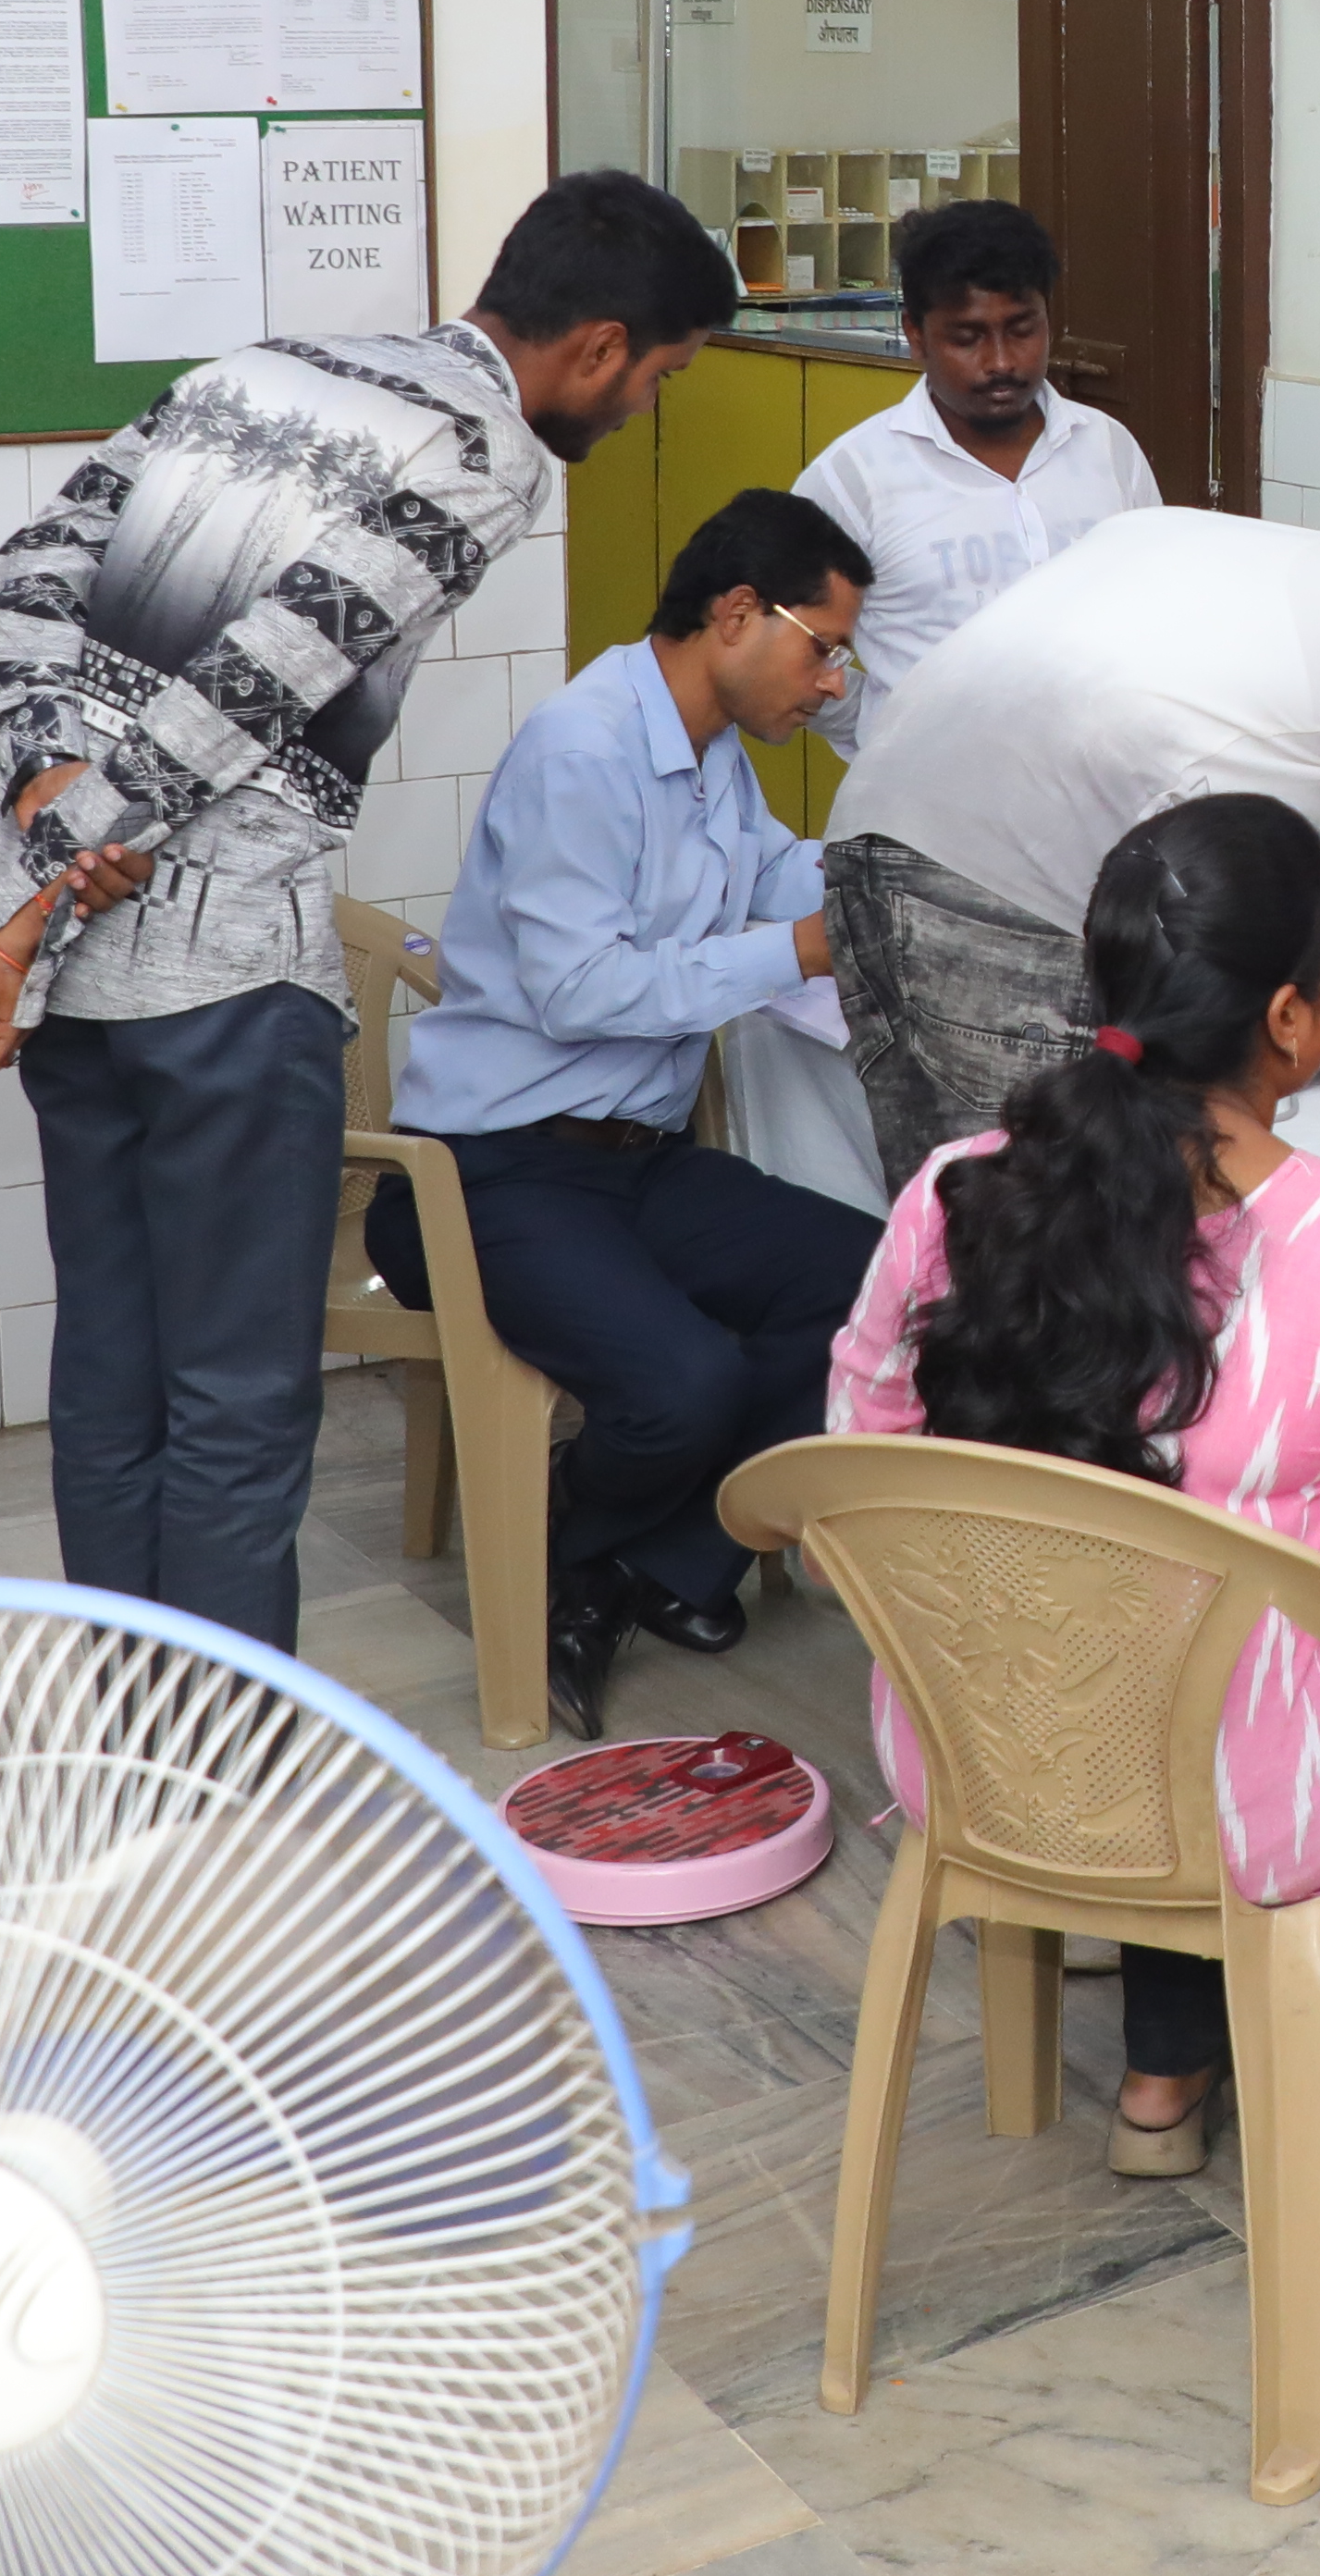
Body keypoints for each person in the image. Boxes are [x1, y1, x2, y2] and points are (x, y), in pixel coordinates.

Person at [0, 171, 732, 1654]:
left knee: (113, 1363)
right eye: (661, 380)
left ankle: (129, 1725)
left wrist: (44, 782)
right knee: (239, 1389)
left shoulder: (256, 368)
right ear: (604, 345)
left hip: (81, 983)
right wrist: (57, 871)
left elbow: (27, 577)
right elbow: (267, 677)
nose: (639, 414)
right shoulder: (486, 450)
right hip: (228, 986)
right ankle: (224, 1760)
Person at [821, 793, 1320, 2212]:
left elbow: (858, 1458)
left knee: (1156, 1616)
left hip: (986, 1749)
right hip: (1246, 1797)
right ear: (1292, 1020)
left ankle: (1165, 2075)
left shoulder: (955, 1195)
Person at [388, 486, 881, 1733]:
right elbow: (578, 989)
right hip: (486, 1170)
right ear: (734, 615)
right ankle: (590, 1550)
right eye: (822, 648)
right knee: (684, 1381)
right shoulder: (587, 748)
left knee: (883, 1288)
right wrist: (803, 953)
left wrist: (888, 878)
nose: (830, 685)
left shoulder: (712, 750)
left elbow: (772, 873)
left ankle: (628, 1557)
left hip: (633, 1163)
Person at [816, 447, 1320, 1189]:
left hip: (863, 837)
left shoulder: (1176, 535)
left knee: (944, 1232)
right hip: (1004, 896)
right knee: (1043, 1253)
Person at [789, 196, 1157, 752]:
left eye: (1022, 330)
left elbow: (1154, 611)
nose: (1002, 362)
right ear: (916, 335)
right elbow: (791, 646)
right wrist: (884, 734)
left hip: (1101, 796)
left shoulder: (1108, 448)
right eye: (967, 338)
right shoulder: (854, 478)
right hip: (926, 816)